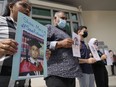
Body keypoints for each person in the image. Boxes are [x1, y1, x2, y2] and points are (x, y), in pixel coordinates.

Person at [44, 11, 82, 87]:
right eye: (62, 18)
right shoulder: (49, 28)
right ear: (55, 19)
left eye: (65, 19)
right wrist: (60, 44)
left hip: (71, 74)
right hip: (56, 73)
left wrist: (77, 47)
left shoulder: (67, 34)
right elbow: (40, 43)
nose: (64, 20)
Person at [0, 0, 31, 87]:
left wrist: (42, 55)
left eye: (30, 9)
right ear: (11, 7)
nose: (28, 10)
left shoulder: (30, 31)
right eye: (24, 5)